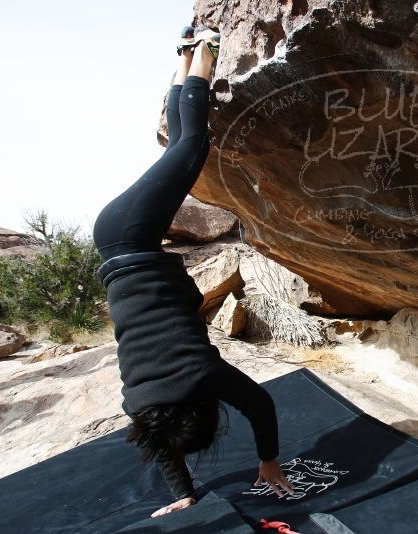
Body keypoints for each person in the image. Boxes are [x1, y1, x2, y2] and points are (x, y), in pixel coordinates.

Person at [91, 26, 294, 518]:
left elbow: (259, 407)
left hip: (131, 238)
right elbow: (159, 443)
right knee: (184, 148)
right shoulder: (140, 404)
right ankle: (186, 56)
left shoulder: (202, 376)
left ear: (203, 408)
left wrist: (268, 462)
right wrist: (182, 492)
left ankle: (205, 47)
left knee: (191, 147)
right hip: (117, 246)